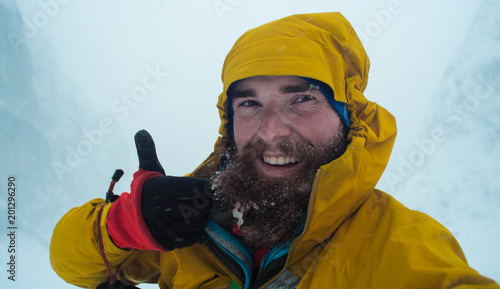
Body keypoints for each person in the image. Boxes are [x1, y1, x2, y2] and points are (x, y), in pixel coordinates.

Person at [50, 12, 500, 289]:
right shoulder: (191, 219)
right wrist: (123, 223)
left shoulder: (404, 247)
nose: (270, 130)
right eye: (249, 104)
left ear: (349, 116)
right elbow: (72, 265)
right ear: (229, 121)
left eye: (301, 98)